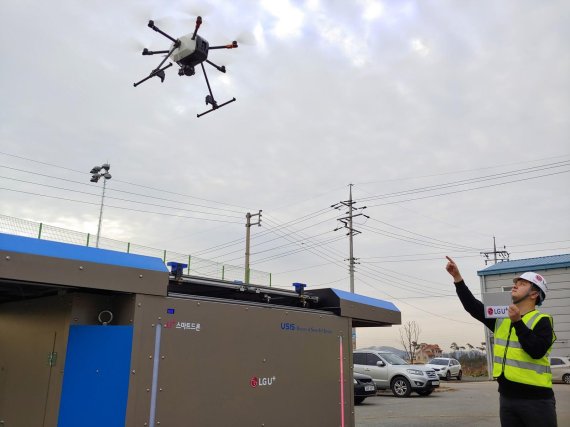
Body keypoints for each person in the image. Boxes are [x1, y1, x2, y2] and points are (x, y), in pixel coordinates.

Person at [444, 256, 557, 427]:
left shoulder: (542, 320)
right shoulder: (501, 319)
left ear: (534, 294)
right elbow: (472, 306)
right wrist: (458, 279)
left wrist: (518, 322)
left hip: (537, 400)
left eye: (522, 284)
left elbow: (536, 350)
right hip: (507, 398)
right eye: (516, 282)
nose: (515, 285)